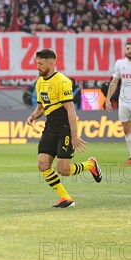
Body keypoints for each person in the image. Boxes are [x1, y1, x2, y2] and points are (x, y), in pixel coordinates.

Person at [26, 48, 102, 208]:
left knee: (64, 170)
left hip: (64, 127)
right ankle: (66, 198)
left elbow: (70, 109)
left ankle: (90, 165)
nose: (37, 66)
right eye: (36, 63)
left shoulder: (62, 81)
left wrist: (74, 135)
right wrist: (33, 116)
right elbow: (41, 107)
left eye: (41, 63)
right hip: (50, 127)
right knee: (42, 164)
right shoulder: (40, 82)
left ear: (51, 63)